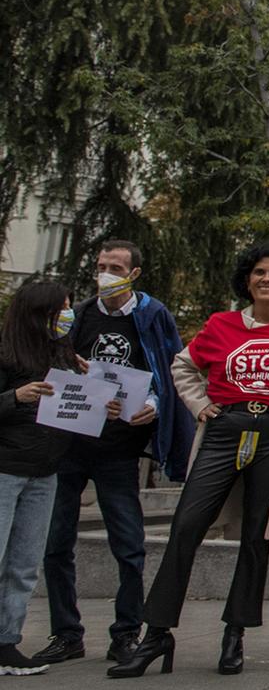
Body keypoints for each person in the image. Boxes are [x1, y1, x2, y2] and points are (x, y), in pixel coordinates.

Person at [111, 243, 269, 678]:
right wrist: (198, 405)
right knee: (185, 528)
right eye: (258, 273)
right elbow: (182, 367)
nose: (266, 279)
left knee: (256, 538)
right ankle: (156, 634)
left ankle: (235, 634)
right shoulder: (221, 325)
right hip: (221, 434)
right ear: (247, 280)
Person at [33, 241, 190, 668]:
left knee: (128, 545)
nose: (105, 273)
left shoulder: (153, 315)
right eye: (101, 266)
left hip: (118, 449)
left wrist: (151, 408)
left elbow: (170, 371)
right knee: (56, 544)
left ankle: (126, 634)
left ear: (134, 273)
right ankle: (66, 633)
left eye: (115, 267)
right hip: (71, 445)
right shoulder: (80, 314)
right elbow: (56, 364)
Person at [0, 282, 85, 676]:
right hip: (5, 469)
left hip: (45, 472)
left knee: (24, 563)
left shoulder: (64, 354)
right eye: (60, 308)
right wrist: (16, 397)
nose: (67, 315)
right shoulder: (6, 351)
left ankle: (7, 640)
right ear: (38, 312)